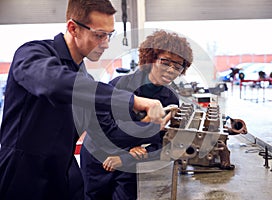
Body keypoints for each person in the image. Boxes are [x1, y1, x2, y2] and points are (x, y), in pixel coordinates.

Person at [0, 1, 166, 200]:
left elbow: (103, 131)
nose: (105, 43)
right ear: (73, 28)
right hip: (22, 174)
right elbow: (55, 84)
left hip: (63, 171)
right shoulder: (32, 54)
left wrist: (148, 126)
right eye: (99, 35)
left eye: (109, 35)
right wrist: (131, 101)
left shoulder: (82, 76)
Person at [80, 30, 193, 200]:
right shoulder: (118, 87)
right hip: (98, 157)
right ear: (151, 59)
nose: (171, 70)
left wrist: (127, 157)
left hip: (129, 162)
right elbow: (101, 131)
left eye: (177, 66)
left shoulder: (170, 99)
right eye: (165, 62)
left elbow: (162, 143)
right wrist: (148, 125)